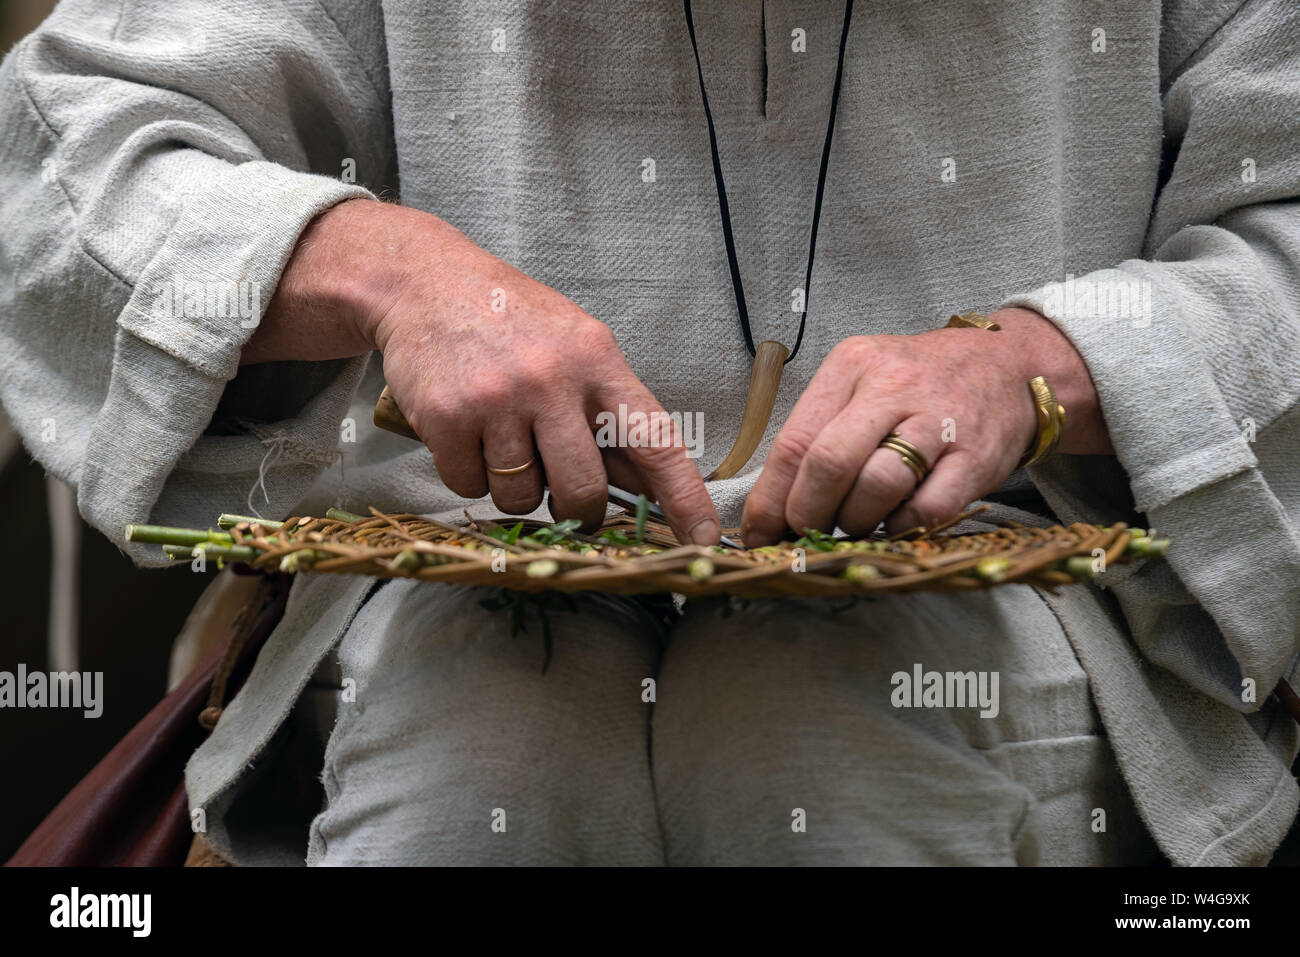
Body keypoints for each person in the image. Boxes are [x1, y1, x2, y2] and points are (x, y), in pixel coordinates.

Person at [1, 0, 1296, 865]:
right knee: (485, 742)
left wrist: (1045, 361)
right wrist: (384, 270)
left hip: (1029, 589)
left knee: (812, 727)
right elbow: (60, 161)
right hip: (446, 594)